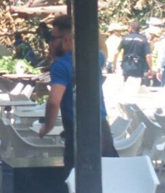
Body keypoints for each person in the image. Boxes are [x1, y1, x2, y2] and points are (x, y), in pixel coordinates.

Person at [38, 15, 117, 171]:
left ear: (66, 39)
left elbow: (54, 101)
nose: (51, 43)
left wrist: (48, 126)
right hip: (101, 128)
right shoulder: (93, 58)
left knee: (75, 178)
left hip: (76, 130)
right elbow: (103, 50)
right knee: (108, 175)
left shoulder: (60, 65)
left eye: (53, 38)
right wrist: (88, 24)